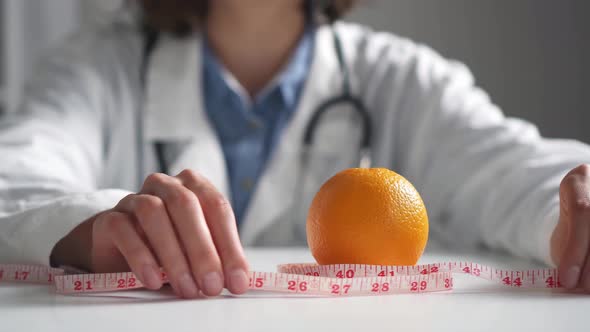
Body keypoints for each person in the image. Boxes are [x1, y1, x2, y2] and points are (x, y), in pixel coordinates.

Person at [1, 0, 589, 299]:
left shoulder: (402, 79)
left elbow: (513, 166)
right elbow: (12, 180)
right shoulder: (95, 68)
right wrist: (90, 229)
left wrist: (566, 212)